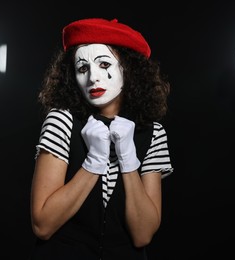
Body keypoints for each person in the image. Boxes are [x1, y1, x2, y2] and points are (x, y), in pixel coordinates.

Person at [29, 17, 173, 260]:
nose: (93, 77)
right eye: (82, 68)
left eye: (104, 64)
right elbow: (43, 225)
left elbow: (142, 235)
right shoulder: (62, 121)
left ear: (128, 69)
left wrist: (128, 158)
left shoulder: (153, 133)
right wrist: (94, 162)